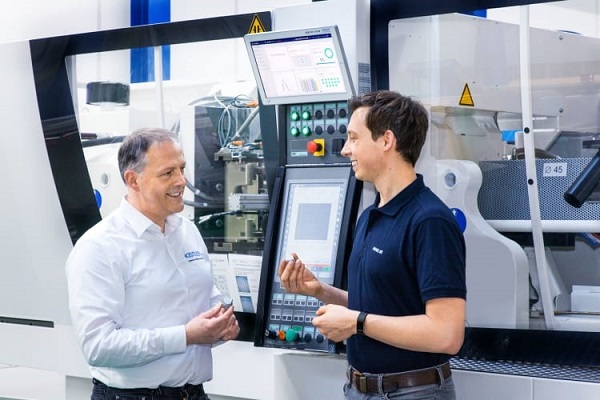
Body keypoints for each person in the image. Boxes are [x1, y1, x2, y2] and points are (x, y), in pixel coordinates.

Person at [278, 90, 466, 399]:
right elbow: (380, 305)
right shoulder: (369, 216)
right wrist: (320, 291)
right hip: (359, 388)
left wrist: (357, 323)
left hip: (413, 392)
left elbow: (446, 334)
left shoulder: (430, 220)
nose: (345, 150)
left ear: (386, 140)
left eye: (354, 138)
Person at [66, 128, 239, 400]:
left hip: (193, 393)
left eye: (182, 169)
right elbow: (98, 346)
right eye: (167, 173)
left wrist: (221, 326)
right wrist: (185, 336)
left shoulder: (188, 232)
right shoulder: (100, 247)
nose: (181, 181)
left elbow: (205, 302)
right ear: (133, 180)